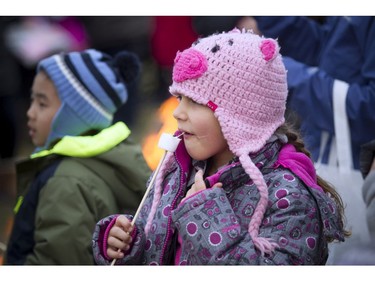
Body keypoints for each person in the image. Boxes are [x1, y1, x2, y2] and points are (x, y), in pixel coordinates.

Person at [92, 29, 349, 265]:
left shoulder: (286, 195)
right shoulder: (174, 169)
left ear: (240, 116)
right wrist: (128, 247)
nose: (178, 113)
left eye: (194, 101)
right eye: (180, 98)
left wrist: (206, 217)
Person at [3, 48, 151, 265]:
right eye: (31, 100)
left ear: (75, 116)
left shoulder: (65, 183)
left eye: (42, 104)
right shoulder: (96, 160)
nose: (30, 112)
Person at [244, 16, 375, 170]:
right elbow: (328, 50)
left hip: (354, 165)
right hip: (319, 147)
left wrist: (281, 73)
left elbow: (369, 112)